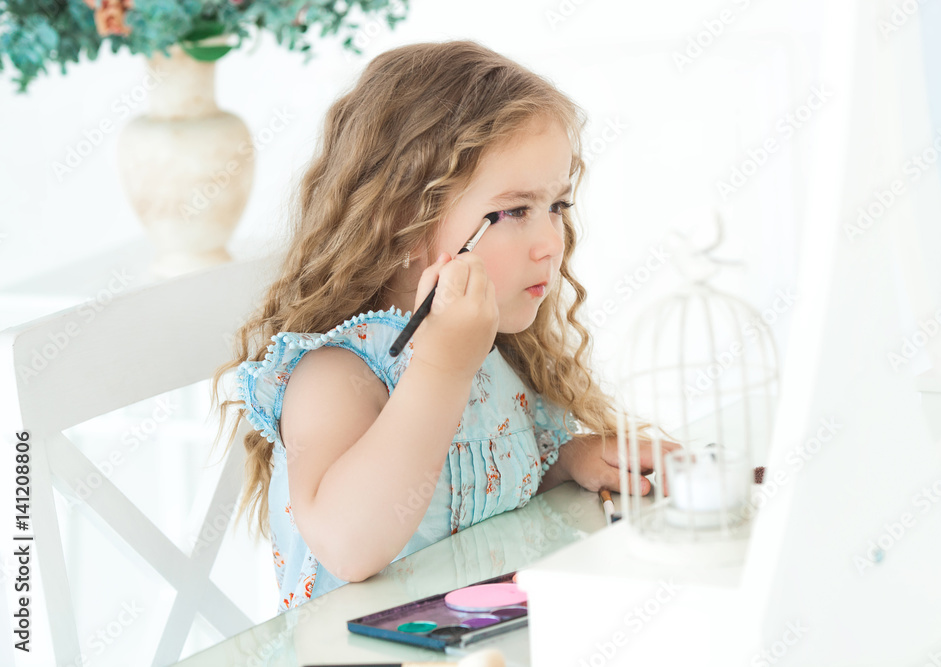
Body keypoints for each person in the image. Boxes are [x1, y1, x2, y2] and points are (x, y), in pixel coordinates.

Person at [210, 40, 675, 612]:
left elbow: (483, 483)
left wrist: (568, 461)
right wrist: (440, 365)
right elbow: (351, 547)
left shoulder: (493, 352)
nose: (551, 243)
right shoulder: (337, 374)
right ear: (404, 218)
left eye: (557, 206)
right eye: (512, 212)